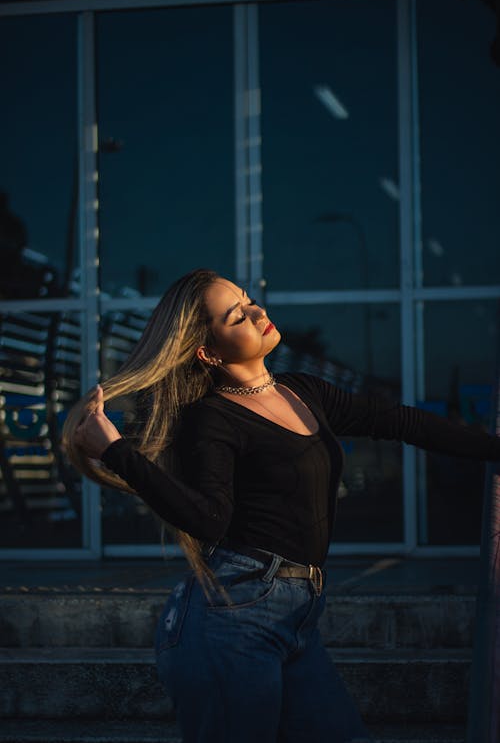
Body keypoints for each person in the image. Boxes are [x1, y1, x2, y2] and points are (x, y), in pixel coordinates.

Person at [63, 268, 500, 743]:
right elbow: (209, 519)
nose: (257, 312)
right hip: (233, 619)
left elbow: (401, 422)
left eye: (249, 300)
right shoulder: (210, 419)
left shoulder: (302, 390)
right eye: (236, 316)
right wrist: (116, 452)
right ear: (207, 351)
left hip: (297, 614)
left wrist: (493, 449)